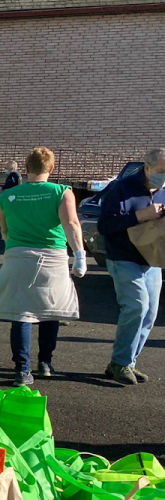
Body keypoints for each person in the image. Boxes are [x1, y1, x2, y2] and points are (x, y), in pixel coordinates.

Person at [0, 148, 85, 386]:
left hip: (18, 255)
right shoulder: (62, 192)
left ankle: (22, 369)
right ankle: (45, 363)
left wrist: (15, 250)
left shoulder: (8, 196)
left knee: (22, 313)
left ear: (26, 168)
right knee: (50, 310)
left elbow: (5, 231)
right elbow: (70, 223)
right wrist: (80, 255)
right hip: (52, 257)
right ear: (51, 169)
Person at [96, 147, 165, 384]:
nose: (163, 177)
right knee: (137, 306)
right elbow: (104, 225)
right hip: (123, 257)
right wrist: (140, 215)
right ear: (147, 168)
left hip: (152, 259)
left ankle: (126, 361)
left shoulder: (164, 190)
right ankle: (121, 363)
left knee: (150, 314)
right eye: (161, 171)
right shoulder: (122, 188)